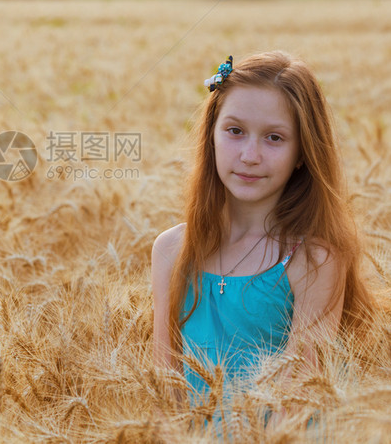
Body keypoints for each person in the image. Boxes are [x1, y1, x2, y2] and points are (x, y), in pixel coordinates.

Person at [151, 51, 373, 424]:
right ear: (211, 137)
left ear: (302, 153)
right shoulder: (172, 250)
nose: (250, 155)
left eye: (274, 138)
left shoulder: (313, 260)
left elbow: (298, 396)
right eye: (235, 131)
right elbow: (164, 384)